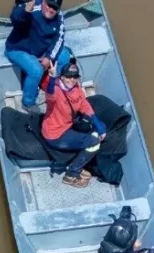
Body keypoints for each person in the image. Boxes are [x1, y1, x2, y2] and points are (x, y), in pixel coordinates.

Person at [40, 59, 107, 187]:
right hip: (55, 134)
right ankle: (71, 174)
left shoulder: (76, 88)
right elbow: (50, 96)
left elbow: (84, 105)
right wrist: (52, 78)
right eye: (68, 77)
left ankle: (81, 160)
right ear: (62, 77)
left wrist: (98, 126)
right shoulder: (55, 90)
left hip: (67, 126)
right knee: (94, 143)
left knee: (100, 129)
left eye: (75, 77)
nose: (71, 80)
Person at [5, 0, 72, 111]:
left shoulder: (59, 16)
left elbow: (59, 38)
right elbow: (15, 18)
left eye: (54, 7)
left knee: (65, 56)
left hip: (42, 49)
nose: (51, 9)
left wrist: (49, 56)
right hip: (18, 49)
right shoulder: (32, 8)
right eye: (49, 5)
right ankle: (28, 102)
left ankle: (56, 87)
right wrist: (24, 11)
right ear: (43, 2)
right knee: (36, 70)